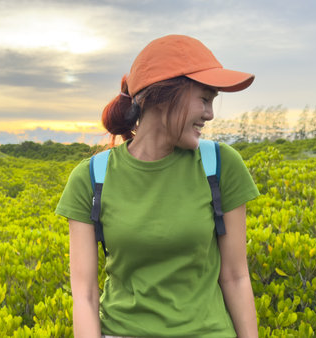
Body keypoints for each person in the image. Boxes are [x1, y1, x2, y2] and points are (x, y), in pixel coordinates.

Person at [55, 35, 260, 338]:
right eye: (204, 99)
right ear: (164, 97)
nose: (210, 114)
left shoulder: (220, 165)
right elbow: (84, 295)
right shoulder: (90, 178)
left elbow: (235, 276)